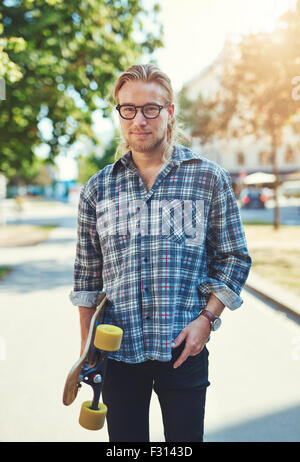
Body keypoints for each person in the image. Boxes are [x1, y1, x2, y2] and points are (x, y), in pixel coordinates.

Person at [69, 64, 252, 442]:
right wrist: (87, 353)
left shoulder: (208, 178)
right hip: (117, 352)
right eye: (128, 109)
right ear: (119, 113)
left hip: (183, 348)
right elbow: (87, 279)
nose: (139, 119)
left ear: (169, 112)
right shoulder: (97, 189)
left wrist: (206, 320)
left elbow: (234, 257)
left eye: (150, 108)